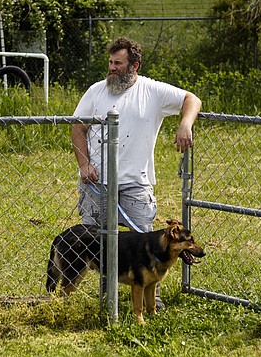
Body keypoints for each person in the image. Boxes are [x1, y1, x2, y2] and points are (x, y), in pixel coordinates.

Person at [71, 36, 202, 307]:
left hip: (136, 183)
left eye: (118, 63)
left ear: (134, 66)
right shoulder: (96, 91)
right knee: (94, 242)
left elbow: (192, 99)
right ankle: (108, 299)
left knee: (146, 245)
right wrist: (84, 164)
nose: (112, 68)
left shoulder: (152, 91)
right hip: (98, 182)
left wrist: (185, 124)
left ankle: (148, 300)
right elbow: (77, 127)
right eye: (110, 62)